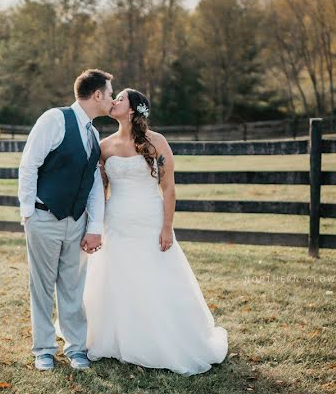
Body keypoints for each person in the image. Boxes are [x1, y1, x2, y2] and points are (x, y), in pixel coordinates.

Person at [83, 88, 228, 375]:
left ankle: (159, 341)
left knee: (153, 277)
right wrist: (95, 226)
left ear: (134, 109)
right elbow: (100, 190)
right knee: (116, 279)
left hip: (149, 221)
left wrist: (167, 227)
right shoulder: (104, 145)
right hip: (117, 222)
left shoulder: (155, 142)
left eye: (120, 98)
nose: (114, 101)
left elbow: (169, 188)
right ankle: (115, 339)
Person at [18, 69, 114, 370]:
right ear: (97, 95)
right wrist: (28, 213)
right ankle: (44, 349)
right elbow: (28, 165)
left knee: (73, 287)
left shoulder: (94, 134)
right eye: (110, 93)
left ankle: (75, 348)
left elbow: (95, 184)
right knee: (43, 286)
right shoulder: (53, 120)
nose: (112, 99)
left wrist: (94, 226)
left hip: (78, 222)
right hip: (44, 217)